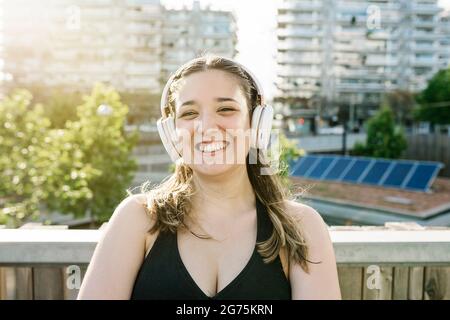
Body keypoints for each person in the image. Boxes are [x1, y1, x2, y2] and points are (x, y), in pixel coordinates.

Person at [77, 55, 341, 300]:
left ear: (256, 125)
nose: (206, 127)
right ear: (172, 134)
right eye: (190, 113)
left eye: (225, 109)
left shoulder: (302, 226)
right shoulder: (137, 218)